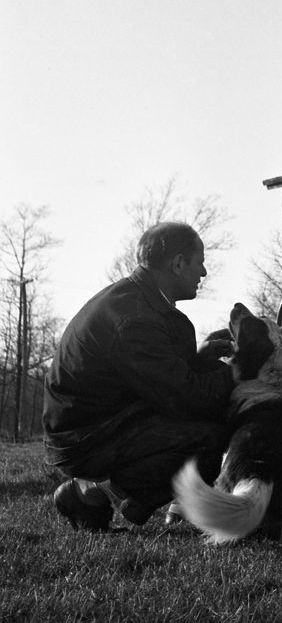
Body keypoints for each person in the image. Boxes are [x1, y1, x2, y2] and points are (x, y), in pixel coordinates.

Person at [44, 221, 235, 531]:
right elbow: (187, 399)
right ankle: (92, 491)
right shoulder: (135, 319)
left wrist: (203, 359)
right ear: (178, 263)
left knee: (209, 414)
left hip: (103, 419)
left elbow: (164, 378)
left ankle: (158, 499)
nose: (204, 273)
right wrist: (241, 370)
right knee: (207, 438)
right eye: (200, 262)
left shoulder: (141, 302)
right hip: (86, 437)